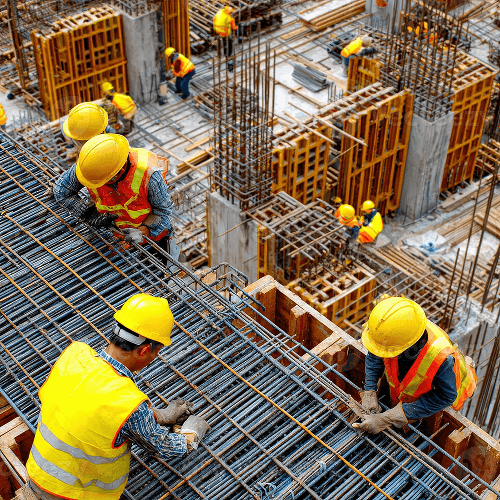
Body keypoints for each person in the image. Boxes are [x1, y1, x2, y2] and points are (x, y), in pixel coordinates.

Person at [25, 293, 210, 500]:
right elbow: (166, 448)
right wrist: (192, 433)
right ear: (144, 350)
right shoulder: (127, 403)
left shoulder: (74, 354)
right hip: (72, 495)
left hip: (37, 473)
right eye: (156, 352)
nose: (155, 357)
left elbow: (95, 408)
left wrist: (160, 416)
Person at [353, 296, 476, 434]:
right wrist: (370, 390)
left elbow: (445, 396)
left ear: (406, 347)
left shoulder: (440, 358)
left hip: (439, 394)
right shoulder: (389, 325)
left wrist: (388, 418)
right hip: (399, 392)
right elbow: (376, 351)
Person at [53, 134, 173, 252]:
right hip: (112, 235)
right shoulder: (89, 166)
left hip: (148, 239)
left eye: (104, 180)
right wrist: (88, 214)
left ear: (120, 170)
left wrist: (144, 231)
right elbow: (61, 191)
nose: (99, 185)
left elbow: (164, 213)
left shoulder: (149, 175)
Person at [213, 5, 238, 72]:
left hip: (218, 31)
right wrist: (236, 28)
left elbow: (214, 19)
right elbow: (234, 28)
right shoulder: (230, 18)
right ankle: (229, 58)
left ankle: (224, 53)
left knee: (224, 44)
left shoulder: (219, 12)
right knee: (229, 46)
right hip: (226, 34)